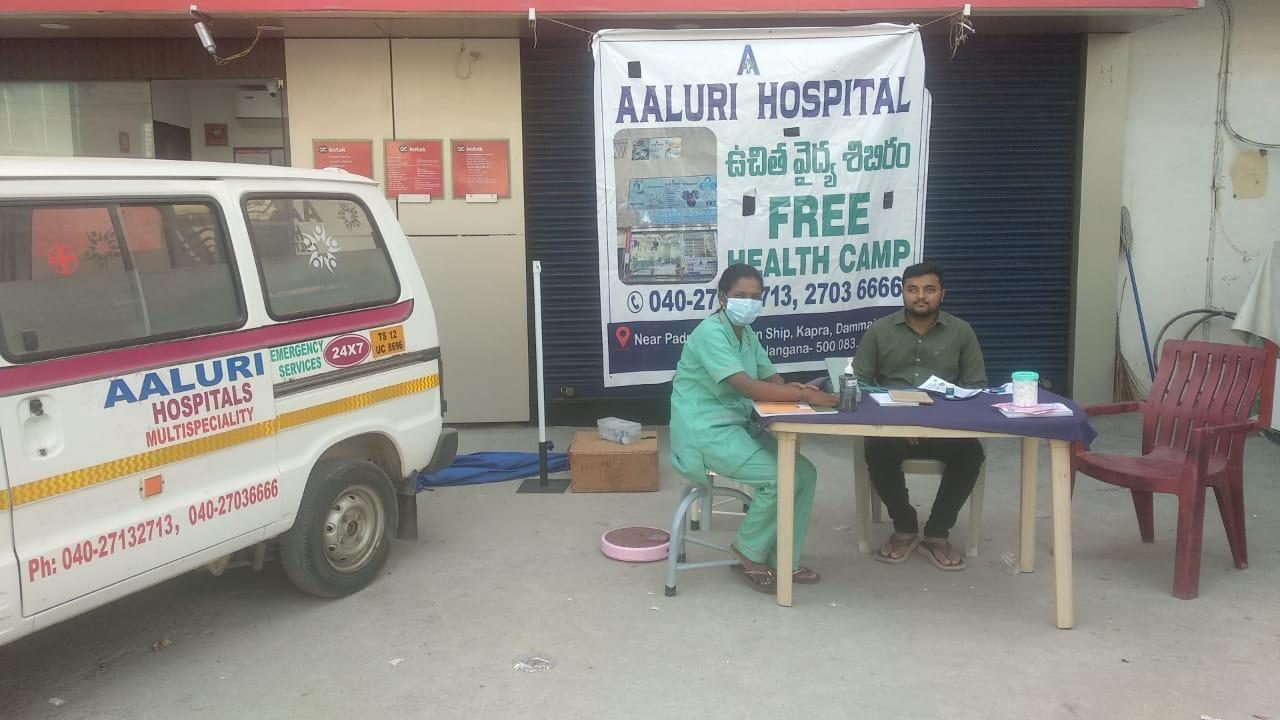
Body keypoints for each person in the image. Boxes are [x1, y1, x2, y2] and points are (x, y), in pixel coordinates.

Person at [670, 263, 838, 594]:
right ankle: (748, 549)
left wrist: (796, 391)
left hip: (739, 425)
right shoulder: (710, 332)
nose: (748, 302)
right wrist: (804, 394)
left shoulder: (747, 334)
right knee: (779, 478)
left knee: (804, 474)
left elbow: (769, 378)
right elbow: (746, 386)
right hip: (706, 432)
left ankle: (784, 559)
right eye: (740, 296)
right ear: (722, 297)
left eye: (755, 297)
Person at [851, 261, 987, 571]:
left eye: (929, 290)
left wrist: (934, 420)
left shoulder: (962, 331)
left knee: (971, 454)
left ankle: (937, 533)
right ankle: (905, 527)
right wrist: (900, 421)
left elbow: (976, 386)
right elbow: (858, 382)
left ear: (942, 294)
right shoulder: (880, 330)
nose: (920, 297)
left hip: (945, 426)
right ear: (902, 293)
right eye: (912, 290)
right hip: (893, 426)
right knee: (877, 448)